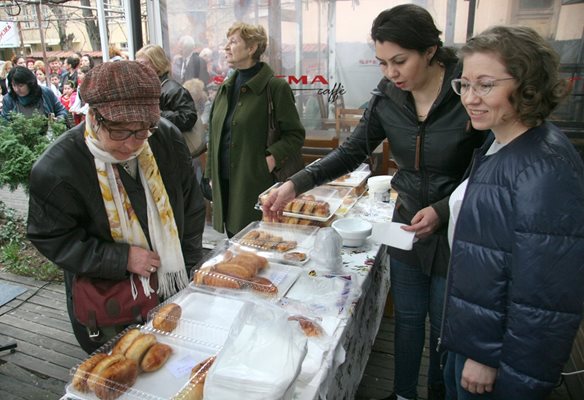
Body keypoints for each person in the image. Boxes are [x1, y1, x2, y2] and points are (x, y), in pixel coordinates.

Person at [262, 5, 486, 400]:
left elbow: (485, 170)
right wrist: (294, 184)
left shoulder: (465, 94)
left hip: (456, 226)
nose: (390, 73)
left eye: (400, 61)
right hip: (404, 224)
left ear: (430, 51)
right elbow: (350, 152)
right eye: (382, 63)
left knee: (445, 325)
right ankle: (402, 395)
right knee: (409, 318)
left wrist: (445, 209)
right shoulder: (388, 97)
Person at [441, 25, 584, 400]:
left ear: (527, 85)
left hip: (495, 357)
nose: (470, 98)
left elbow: (543, 293)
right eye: (465, 84)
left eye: (485, 85)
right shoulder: (503, 141)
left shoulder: (543, 168)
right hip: (476, 334)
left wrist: (486, 355)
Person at [26, 61, 206, 353]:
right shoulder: (56, 169)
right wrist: (119, 258)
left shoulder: (165, 139)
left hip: (173, 290)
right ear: (94, 116)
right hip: (109, 305)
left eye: (142, 130)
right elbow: (51, 237)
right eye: (120, 131)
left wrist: (187, 270)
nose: (132, 144)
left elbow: (192, 207)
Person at [206, 22, 305, 236]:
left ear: (252, 48)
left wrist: (269, 159)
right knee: (234, 239)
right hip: (224, 184)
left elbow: (295, 135)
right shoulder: (225, 88)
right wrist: (211, 174)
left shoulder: (275, 88)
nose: (226, 47)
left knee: (257, 241)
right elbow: (213, 135)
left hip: (256, 183)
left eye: (233, 42)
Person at [136, 44, 197, 134]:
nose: (138, 68)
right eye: (136, 64)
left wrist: (156, 113)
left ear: (157, 64)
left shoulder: (173, 89)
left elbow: (188, 118)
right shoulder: (150, 87)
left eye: (142, 64)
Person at [2, 66, 68, 121]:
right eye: (14, 85)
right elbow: (5, 122)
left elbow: (62, 111)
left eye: (21, 86)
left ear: (29, 83)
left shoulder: (45, 93)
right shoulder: (8, 99)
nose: (17, 89)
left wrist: (58, 120)